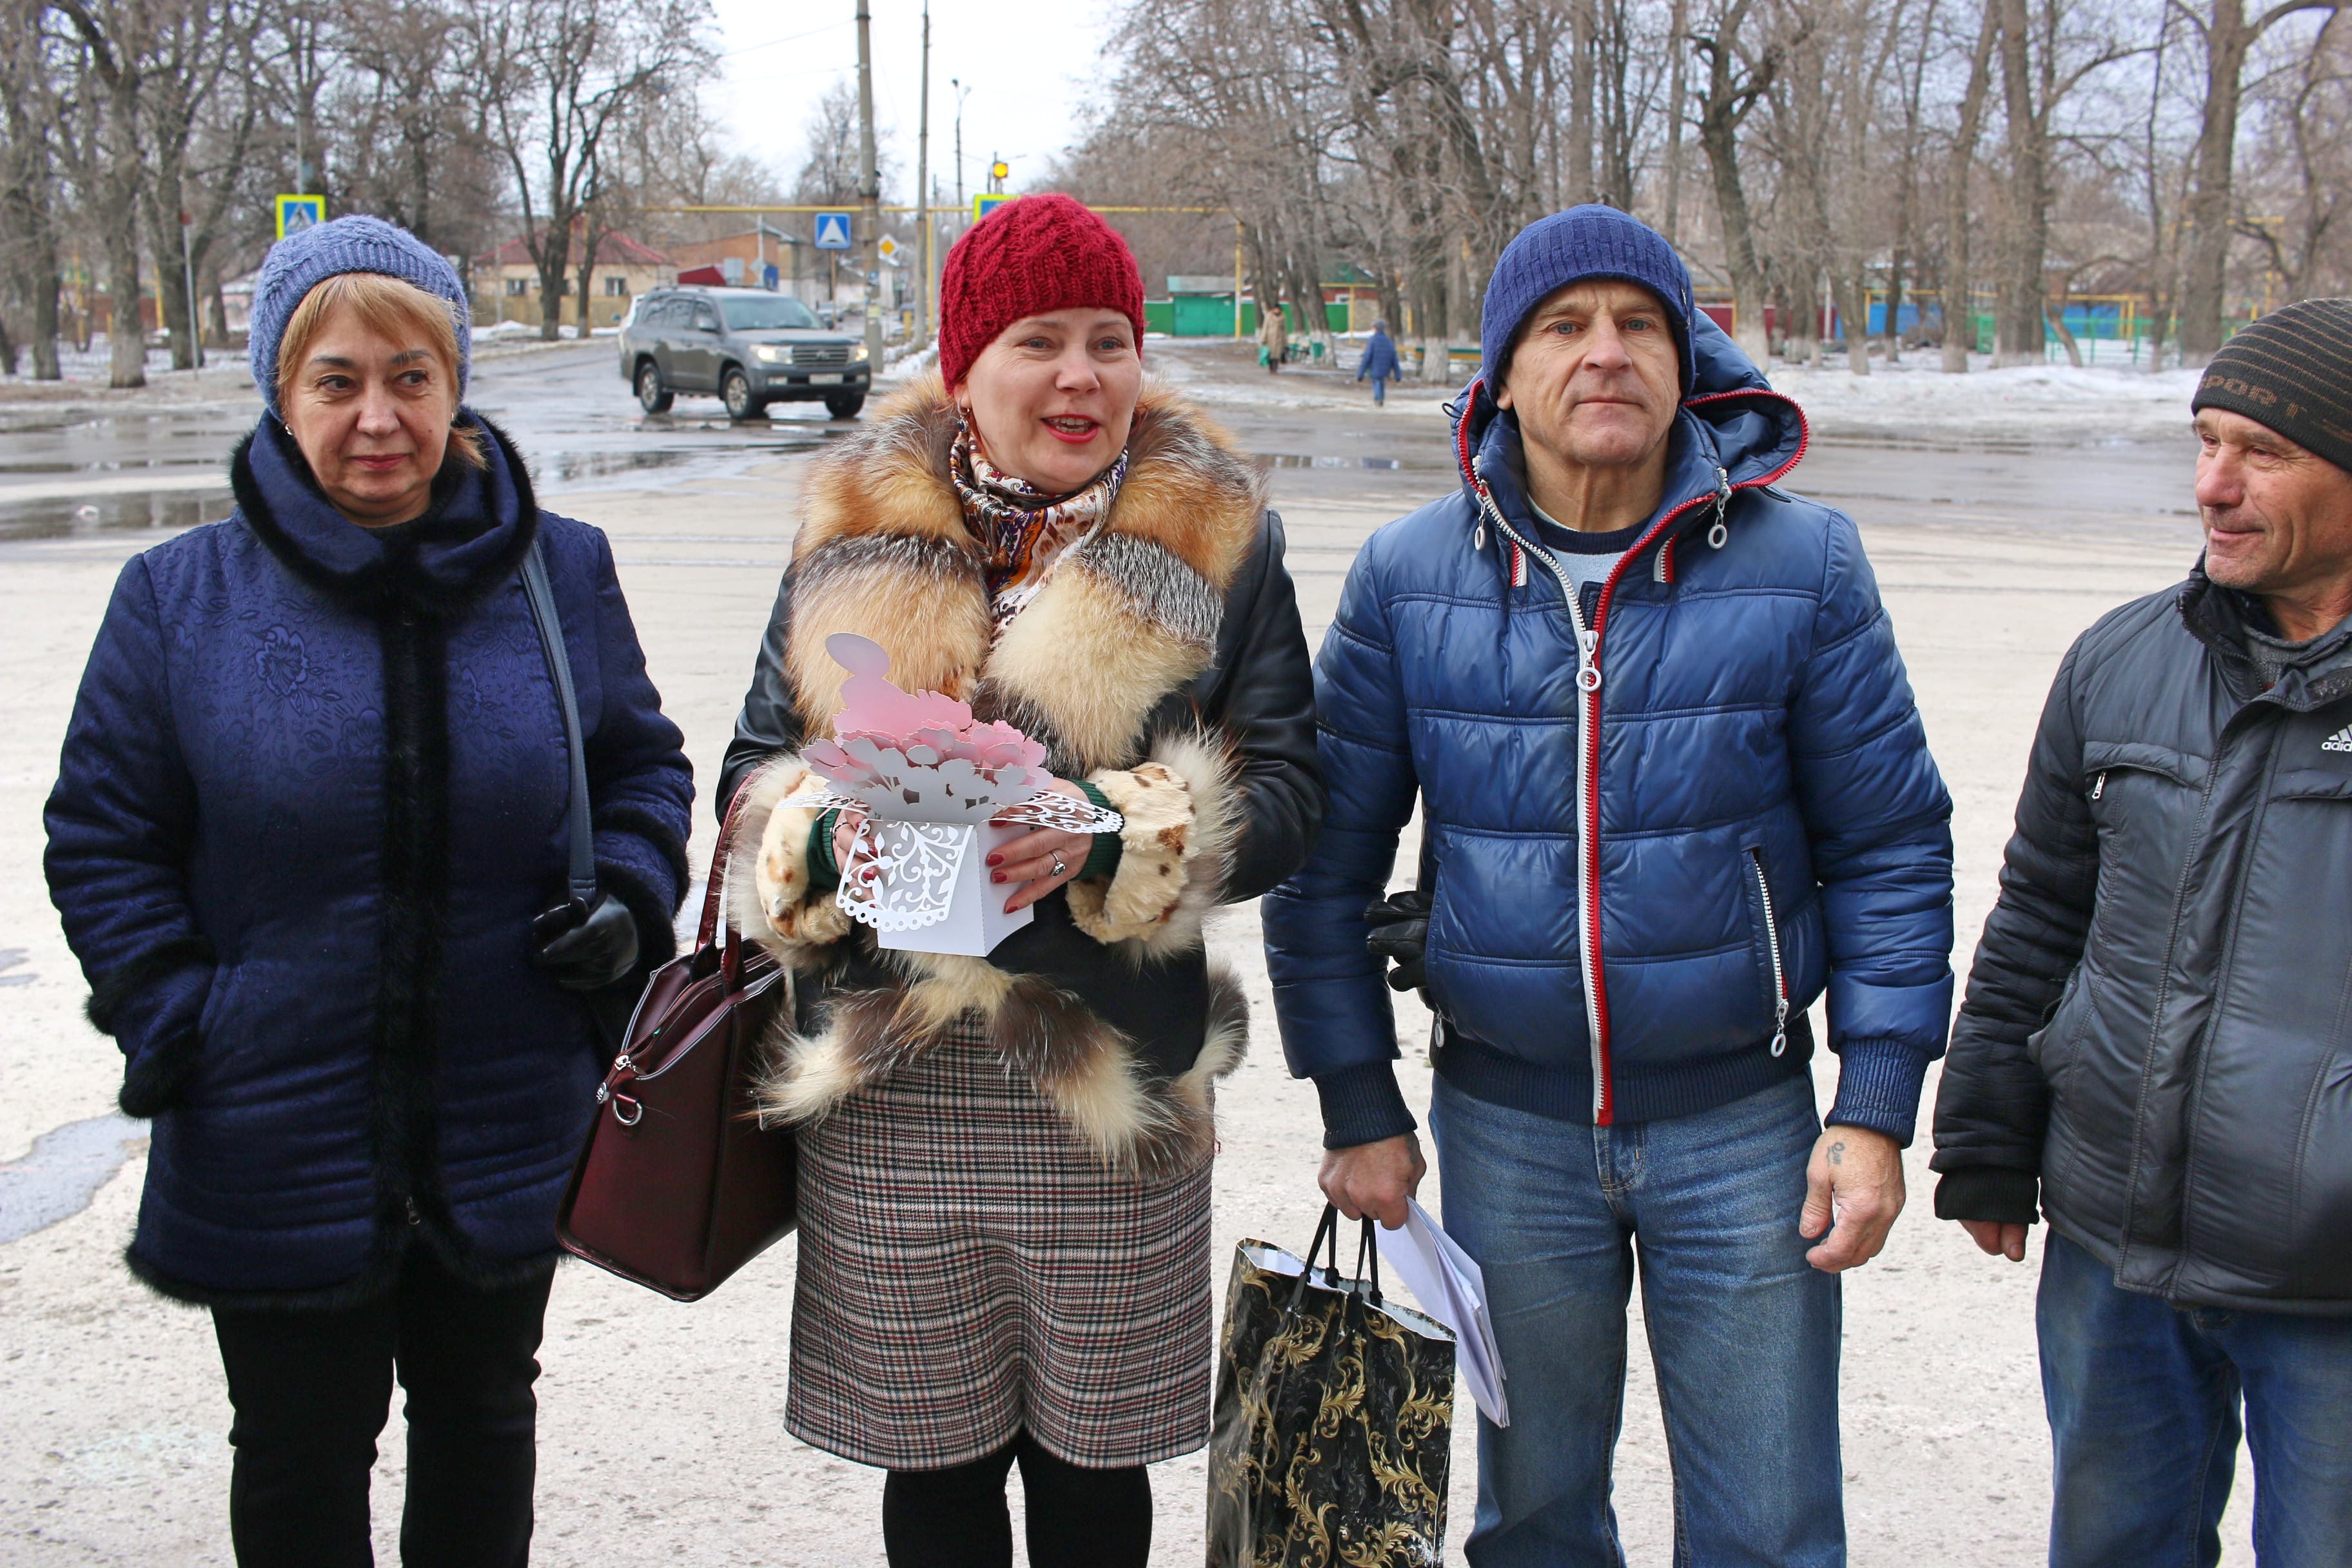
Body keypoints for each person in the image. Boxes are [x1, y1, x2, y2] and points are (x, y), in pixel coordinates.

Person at [1262, 205, 1955, 1565]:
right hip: (1506, 1133)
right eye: (1563, 326)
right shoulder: (1411, 580)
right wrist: (1359, 1101)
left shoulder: (1803, 566)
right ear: (1502, 373)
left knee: (1769, 1528)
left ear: (1687, 358)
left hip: (1744, 1130)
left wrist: (1875, 1105)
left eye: (1640, 322)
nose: (1606, 353)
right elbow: (1317, 870)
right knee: (1532, 1526)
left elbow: (1890, 845)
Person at [43, 215, 694, 1567]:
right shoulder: (181, 597)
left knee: (482, 1424)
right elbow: (104, 836)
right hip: (269, 1115)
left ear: (456, 383)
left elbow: (638, 766)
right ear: (281, 399)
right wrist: (180, 1022)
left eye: (411, 376)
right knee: (296, 1457)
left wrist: (630, 895)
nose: (379, 417)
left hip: (506, 1109)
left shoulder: (557, 570)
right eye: (337, 380)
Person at [717, 193, 1320, 1568]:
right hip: (891, 1073)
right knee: (933, 1473)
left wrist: (1122, 837)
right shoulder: (848, 527)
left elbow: (1294, 796)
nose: (1081, 376)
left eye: (1110, 340)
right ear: (965, 363)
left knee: (1094, 1480)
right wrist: (817, 826)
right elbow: (756, 762)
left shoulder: (1220, 539)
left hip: (1107, 1066)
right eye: (1038, 341)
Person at [1933, 298, 2352, 1568]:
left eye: (2262, 453)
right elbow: (2042, 911)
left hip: (2330, 1284)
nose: (2213, 486)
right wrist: (1991, 1132)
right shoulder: (2122, 660)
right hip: (2115, 1254)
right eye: (2207, 441)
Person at [1358, 317, 1402, 405]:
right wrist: (1398, 375)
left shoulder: (1372, 341)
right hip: (1386, 367)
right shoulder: (1389, 341)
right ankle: (1381, 398)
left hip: (1375, 366)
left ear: (1376, 329)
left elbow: (1367, 357)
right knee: (1381, 381)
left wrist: (1360, 374)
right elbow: (1394, 359)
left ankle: (1378, 399)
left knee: (1377, 381)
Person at [1258, 293, 1288, 371]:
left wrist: (1285, 341)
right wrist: (1263, 338)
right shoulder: (1269, 316)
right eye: (1276, 309)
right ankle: (1271, 367)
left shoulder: (1283, 317)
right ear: (1273, 309)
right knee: (1270, 355)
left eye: (1278, 309)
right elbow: (1265, 327)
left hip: (1279, 338)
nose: (1277, 310)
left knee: (1277, 355)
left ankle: (1275, 368)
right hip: (1270, 338)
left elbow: (1284, 330)